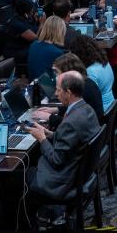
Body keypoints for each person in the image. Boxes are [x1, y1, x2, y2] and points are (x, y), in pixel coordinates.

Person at [25, 71, 101, 203]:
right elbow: (72, 141)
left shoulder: (71, 122)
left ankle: (30, 220)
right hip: (77, 170)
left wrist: (42, 139)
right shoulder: (87, 109)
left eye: (58, 90)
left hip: (63, 181)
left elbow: (56, 160)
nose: (55, 94)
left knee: (20, 176)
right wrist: (49, 134)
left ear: (69, 92)